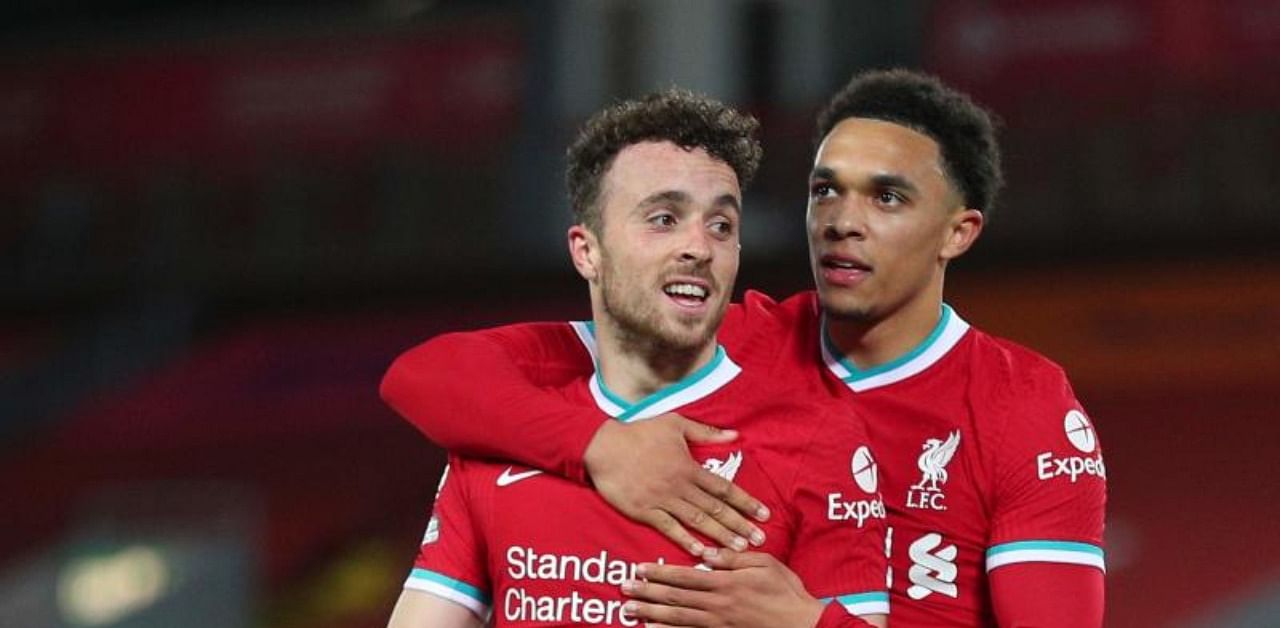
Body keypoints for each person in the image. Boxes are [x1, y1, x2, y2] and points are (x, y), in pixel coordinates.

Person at [383, 69, 1107, 627]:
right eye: (826, 191)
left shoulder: (1023, 405)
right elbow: (425, 376)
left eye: (886, 198)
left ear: (959, 232)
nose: (841, 222)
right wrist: (598, 443)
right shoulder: (727, 333)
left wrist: (804, 622)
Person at [385, 88, 888, 628]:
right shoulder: (504, 435)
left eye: (722, 225)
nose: (699, 246)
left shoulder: (816, 439)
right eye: (664, 219)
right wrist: (595, 445)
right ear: (587, 251)